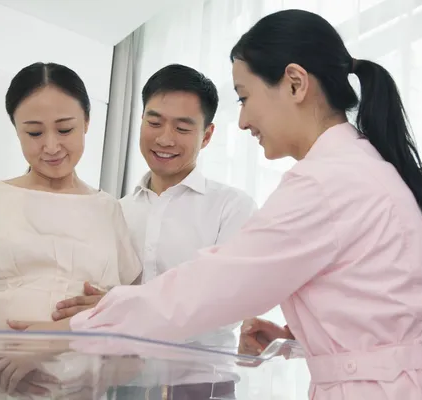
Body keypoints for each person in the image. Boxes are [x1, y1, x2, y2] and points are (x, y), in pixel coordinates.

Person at [12, 9, 422, 400]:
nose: (245, 120)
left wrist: (71, 329)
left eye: (245, 98)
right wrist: (302, 339)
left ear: (294, 83)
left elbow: (205, 288)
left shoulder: (327, 182)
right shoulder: (366, 166)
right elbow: (388, 311)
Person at [20, 64, 258, 399]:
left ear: (206, 135)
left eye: (182, 127)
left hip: (201, 385)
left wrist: (122, 310)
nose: (164, 138)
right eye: (155, 122)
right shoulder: (116, 210)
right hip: (119, 384)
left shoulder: (232, 207)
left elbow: (224, 307)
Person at [0, 62, 142, 399]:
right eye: (34, 133)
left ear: (87, 124)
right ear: (16, 130)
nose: (51, 146)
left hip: (75, 391)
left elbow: (133, 317)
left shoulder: (110, 210)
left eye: (65, 129)